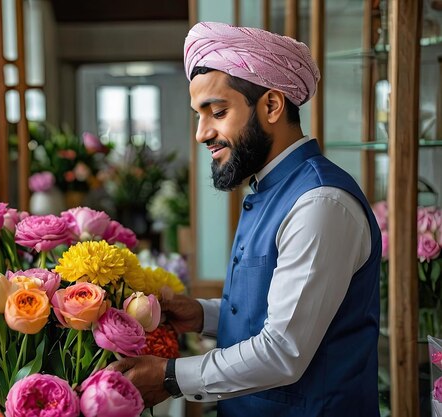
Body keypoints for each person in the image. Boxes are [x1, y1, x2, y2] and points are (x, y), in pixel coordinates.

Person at [107, 22, 382, 417]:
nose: (202, 133)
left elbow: (282, 351)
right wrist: (203, 314)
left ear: (271, 105)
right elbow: (276, 309)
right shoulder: (272, 188)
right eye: (198, 116)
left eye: (217, 112)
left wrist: (169, 376)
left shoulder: (321, 204)